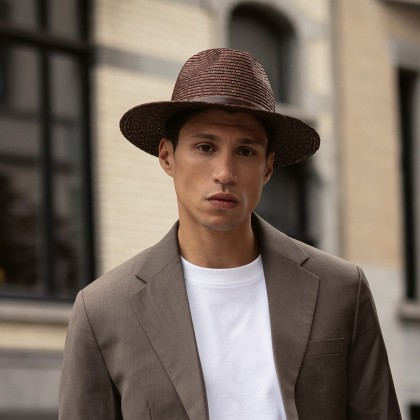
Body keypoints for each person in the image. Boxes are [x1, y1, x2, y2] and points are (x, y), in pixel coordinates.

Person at [59, 48, 401, 420]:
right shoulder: (103, 309)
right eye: (205, 147)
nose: (224, 172)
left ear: (268, 168)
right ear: (167, 157)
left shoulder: (341, 289)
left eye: (246, 151)